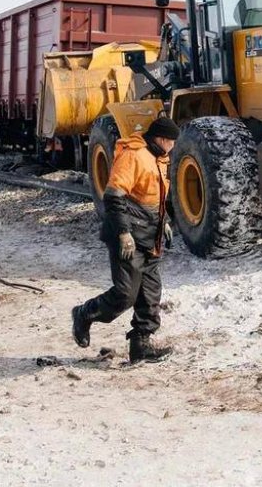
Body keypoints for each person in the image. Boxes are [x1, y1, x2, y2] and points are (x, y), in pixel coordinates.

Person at [72, 116, 179, 363]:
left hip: (150, 235)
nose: (173, 146)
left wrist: (164, 223)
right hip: (128, 236)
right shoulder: (134, 155)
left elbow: (153, 195)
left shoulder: (159, 157)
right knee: (125, 294)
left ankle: (141, 345)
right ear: (162, 139)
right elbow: (113, 196)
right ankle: (84, 314)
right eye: (172, 141)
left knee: (150, 293)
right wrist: (123, 233)